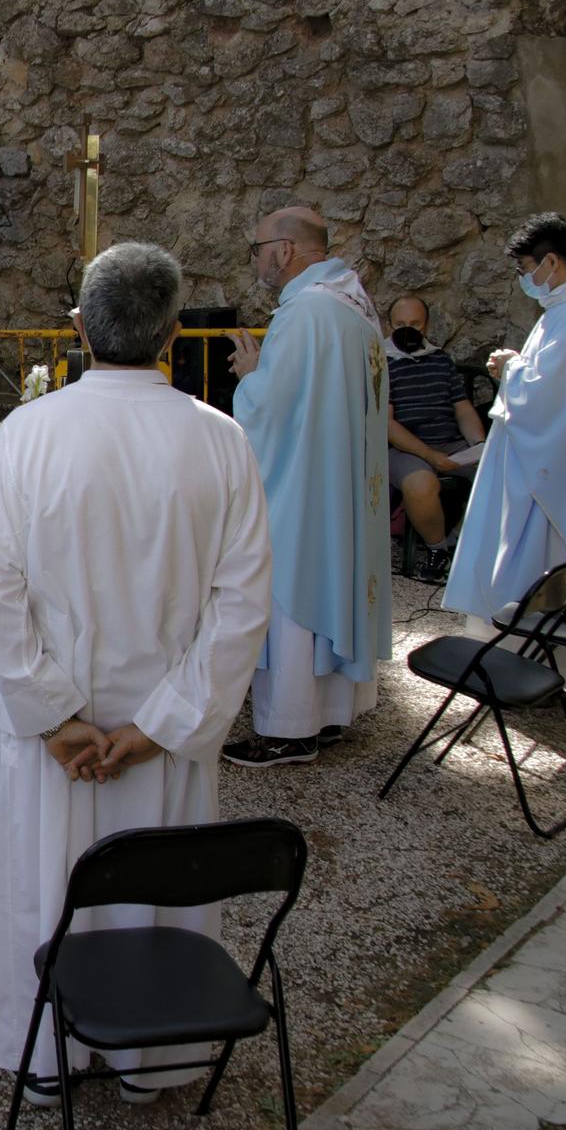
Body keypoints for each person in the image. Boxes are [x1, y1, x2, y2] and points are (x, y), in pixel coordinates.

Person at [0, 242, 272, 1101]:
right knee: (155, 889)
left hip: (58, 740)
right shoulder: (222, 441)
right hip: (157, 733)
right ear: (173, 334)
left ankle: (46, 1059)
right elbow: (240, 606)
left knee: (45, 881)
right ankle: (152, 1058)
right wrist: (160, 725)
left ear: (79, 328)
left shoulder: (28, 432)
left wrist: (54, 711)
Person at [222, 207, 390, 768]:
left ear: (286, 250)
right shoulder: (355, 309)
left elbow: (271, 410)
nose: (258, 259)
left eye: (259, 247)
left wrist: (249, 376)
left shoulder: (304, 314)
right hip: (343, 485)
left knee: (290, 590)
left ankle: (291, 727)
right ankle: (331, 711)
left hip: (302, 488)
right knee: (335, 579)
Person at [444, 212, 566, 662]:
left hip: (547, 467)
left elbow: (549, 397)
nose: (523, 279)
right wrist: (516, 365)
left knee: (530, 557)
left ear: (550, 261)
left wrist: (509, 369)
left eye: (524, 268)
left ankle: (522, 659)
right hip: (539, 457)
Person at [384, 295, 486, 564]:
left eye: (415, 324)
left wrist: (478, 444)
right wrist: (430, 456)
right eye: (400, 323)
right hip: (407, 450)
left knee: (499, 472)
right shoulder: (381, 363)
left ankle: (461, 541)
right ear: (388, 326)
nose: (408, 330)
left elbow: (461, 407)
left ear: (426, 327)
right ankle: (437, 550)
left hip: (451, 444)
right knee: (421, 485)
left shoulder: (440, 359)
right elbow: (387, 423)